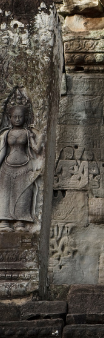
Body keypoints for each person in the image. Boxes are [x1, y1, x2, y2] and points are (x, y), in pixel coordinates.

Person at [0, 89, 44, 232]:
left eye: (20, 117)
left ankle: (20, 222)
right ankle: (5, 221)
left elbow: (36, 150)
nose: (18, 119)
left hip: (24, 167)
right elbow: (1, 150)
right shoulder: (6, 133)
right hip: (7, 166)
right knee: (5, 195)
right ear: (10, 118)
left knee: (23, 194)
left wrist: (41, 138)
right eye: (15, 117)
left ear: (25, 117)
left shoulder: (27, 133)